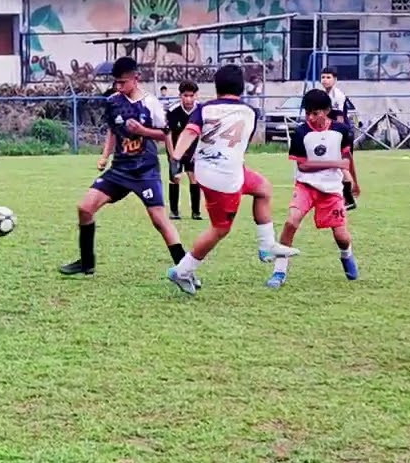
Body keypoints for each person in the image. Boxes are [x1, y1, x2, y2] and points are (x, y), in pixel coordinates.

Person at [165, 65, 300, 294]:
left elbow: (189, 132)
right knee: (220, 228)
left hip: (213, 170)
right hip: (224, 177)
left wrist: (176, 158)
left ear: (216, 87)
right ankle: (182, 271)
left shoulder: (204, 109)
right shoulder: (250, 112)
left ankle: (266, 245)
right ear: (241, 87)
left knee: (263, 188)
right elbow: (241, 144)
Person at [59, 56, 188, 278]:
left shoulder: (151, 103)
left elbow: (164, 134)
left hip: (145, 170)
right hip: (119, 170)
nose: (118, 87)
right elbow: (112, 130)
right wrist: (104, 156)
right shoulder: (113, 102)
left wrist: (143, 132)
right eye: (115, 83)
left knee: (160, 220)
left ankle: (186, 269)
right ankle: (86, 263)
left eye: (122, 83)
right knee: (85, 208)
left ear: (136, 79)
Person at [267, 89, 360, 289]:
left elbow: (347, 160)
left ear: (326, 111)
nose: (310, 117)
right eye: (307, 113)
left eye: (315, 113)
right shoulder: (301, 132)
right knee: (291, 222)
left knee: (342, 237)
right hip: (306, 185)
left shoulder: (342, 131)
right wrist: (334, 162)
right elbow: (303, 165)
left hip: (332, 189)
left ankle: (346, 255)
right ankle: (279, 271)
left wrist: (354, 181)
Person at [319, 67, 360, 210]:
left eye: (328, 77)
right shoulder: (324, 94)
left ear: (335, 80)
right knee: (335, 166)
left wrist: (338, 137)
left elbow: (340, 119)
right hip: (332, 133)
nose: (325, 80)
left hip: (341, 134)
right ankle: (342, 198)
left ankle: (349, 199)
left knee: (342, 167)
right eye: (323, 77)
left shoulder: (338, 96)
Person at [165, 81, 201, 220]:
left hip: (194, 151)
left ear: (196, 96)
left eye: (191, 96)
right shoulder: (173, 111)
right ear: (180, 96)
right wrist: (172, 155)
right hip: (176, 151)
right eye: (185, 96)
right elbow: (167, 134)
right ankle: (174, 211)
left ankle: (196, 212)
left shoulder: (200, 110)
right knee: (175, 178)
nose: (188, 99)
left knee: (194, 178)